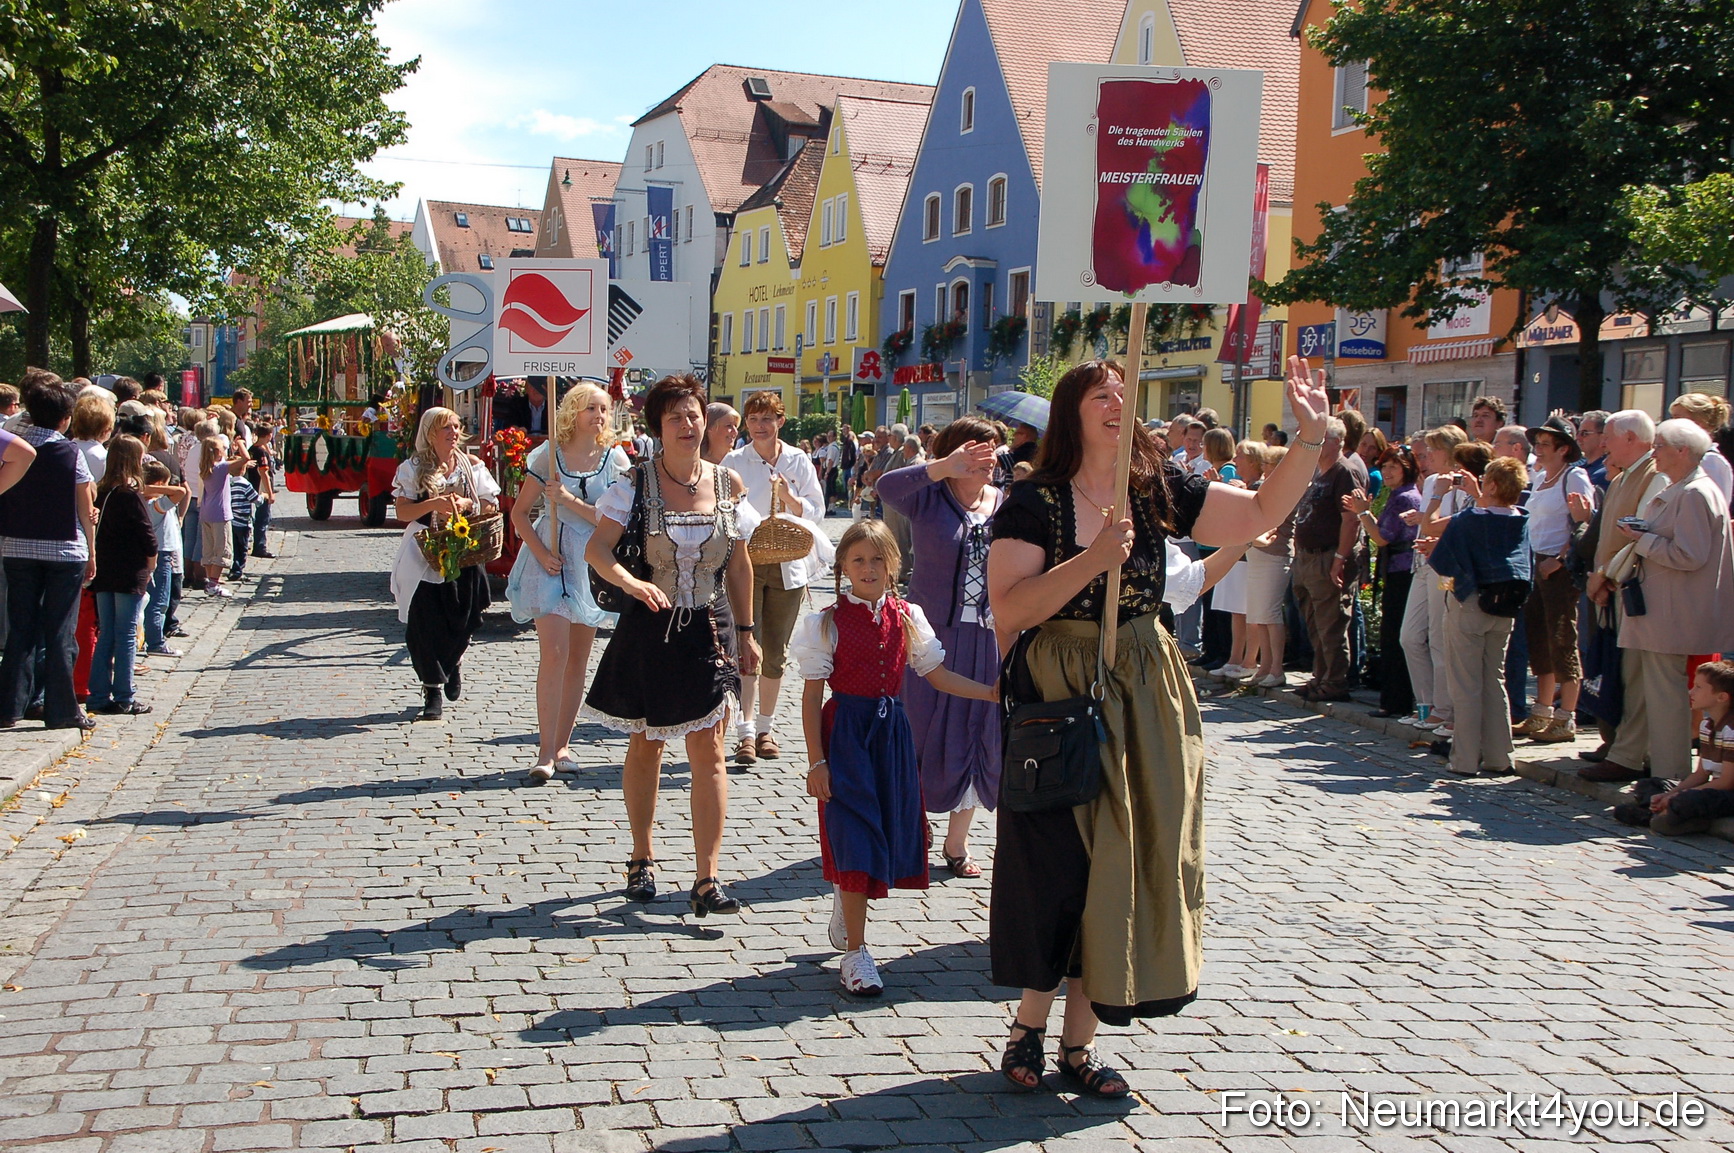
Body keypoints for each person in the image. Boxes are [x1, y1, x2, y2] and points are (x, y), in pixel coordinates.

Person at [985, 356, 1328, 1096]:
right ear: (1073, 411)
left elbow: (1262, 513)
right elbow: (1009, 610)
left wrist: (1310, 437)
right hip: (1061, 689)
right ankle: (1028, 1027)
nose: (1116, 402)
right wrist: (1092, 560)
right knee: (1061, 866)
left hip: (1142, 684)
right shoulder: (1034, 501)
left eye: (1124, 393)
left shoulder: (1158, 487)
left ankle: (1079, 1045)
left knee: (1126, 862)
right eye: (1101, 393)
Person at [793, 519, 998, 996]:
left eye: (878, 559)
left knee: (885, 830)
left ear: (893, 564)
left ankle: (849, 904)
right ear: (843, 565)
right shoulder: (826, 622)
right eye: (859, 559)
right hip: (845, 735)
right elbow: (810, 696)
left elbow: (938, 674)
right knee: (854, 833)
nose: (869, 568)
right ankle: (857, 954)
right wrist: (816, 761)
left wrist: (990, 693)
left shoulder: (907, 615)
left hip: (891, 739)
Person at [584, 374, 762, 916]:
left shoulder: (728, 484)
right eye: (676, 418)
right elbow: (597, 550)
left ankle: (707, 877)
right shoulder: (635, 483)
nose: (688, 425)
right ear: (658, 428)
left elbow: (739, 561)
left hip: (706, 629)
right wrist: (632, 582)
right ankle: (641, 856)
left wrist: (749, 634)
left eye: (694, 415)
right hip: (649, 632)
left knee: (709, 750)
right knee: (648, 744)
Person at [877, 417, 1005, 876]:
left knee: (977, 727)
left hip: (988, 635)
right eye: (979, 450)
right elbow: (886, 488)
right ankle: (904, 830)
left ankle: (957, 844)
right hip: (929, 633)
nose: (989, 458)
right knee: (916, 726)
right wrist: (941, 466)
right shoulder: (929, 496)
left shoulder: (1003, 503)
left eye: (994, 450)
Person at [1591, 419, 1734, 783]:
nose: (1654, 452)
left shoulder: (1695, 492)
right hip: (1663, 610)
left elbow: (1690, 554)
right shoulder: (1685, 488)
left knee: (1666, 697)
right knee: (1655, 693)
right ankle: (1651, 764)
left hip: (1673, 612)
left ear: (1682, 451)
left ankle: (1669, 773)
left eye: (1661, 446)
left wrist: (1641, 539)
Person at [505, 382, 630, 781]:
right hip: (551, 559)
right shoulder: (549, 456)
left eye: (604, 409)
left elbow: (616, 519)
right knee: (554, 653)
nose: (599, 416)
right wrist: (542, 554)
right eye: (591, 408)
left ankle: (563, 745)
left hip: (591, 561)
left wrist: (570, 501)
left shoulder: (615, 459)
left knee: (578, 658)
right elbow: (520, 514)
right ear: (573, 412)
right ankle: (544, 751)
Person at [723, 391, 826, 765]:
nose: (759, 426)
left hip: (789, 564)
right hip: (747, 562)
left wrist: (790, 499)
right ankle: (745, 731)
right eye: (753, 419)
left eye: (767, 419)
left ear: (780, 421)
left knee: (776, 654)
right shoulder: (735, 461)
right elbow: (723, 511)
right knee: (748, 647)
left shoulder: (799, 460)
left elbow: (817, 510)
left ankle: (766, 727)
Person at [1419, 457, 1532, 776]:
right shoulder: (1520, 518)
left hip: (1470, 602)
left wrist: (1438, 494)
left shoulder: (1470, 519)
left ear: (1493, 484)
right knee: (1494, 680)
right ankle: (1500, 756)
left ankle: (1465, 759)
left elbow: (1430, 529)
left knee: (1466, 685)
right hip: (1505, 606)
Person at [389, 408, 500, 721]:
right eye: (445, 428)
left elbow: (490, 503)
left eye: (456, 426)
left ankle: (453, 662)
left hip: (464, 549)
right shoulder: (412, 469)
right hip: (423, 551)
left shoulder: (471, 465)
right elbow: (402, 512)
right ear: (430, 433)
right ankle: (432, 689)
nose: (453, 432)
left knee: (466, 614)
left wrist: (466, 504)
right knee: (424, 622)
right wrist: (434, 504)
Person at [0, 375, 96, 731]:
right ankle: (61, 710)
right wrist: (92, 551)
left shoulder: (14, 447)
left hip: (17, 546)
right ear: (65, 417)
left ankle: (10, 706)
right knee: (59, 632)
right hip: (63, 550)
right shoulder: (70, 453)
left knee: (20, 629)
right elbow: (86, 509)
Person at [1579, 411, 1665, 769]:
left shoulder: (1653, 475)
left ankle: (1631, 754)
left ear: (1631, 438)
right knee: (1614, 669)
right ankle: (1614, 743)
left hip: (1630, 586)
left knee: (1633, 675)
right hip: (1611, 585)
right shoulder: (1625, 474)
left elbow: (1640, 535)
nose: (1604, 444)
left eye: (1610, 437)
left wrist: (1605, 574)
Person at [1513, 415, 1594, 744]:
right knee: (1538, 640)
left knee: (1562, 639)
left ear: (1564, 449)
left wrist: (1559, 559)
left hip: (1557, 569)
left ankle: (1566, 717)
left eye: (1545, 445)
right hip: (1534, 563)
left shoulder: (1574, 477)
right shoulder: (1542, 477)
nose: (1539, 450)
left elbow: (1585, 523)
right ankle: (1542, 710)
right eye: (1538, 444)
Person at [1290, 417, 1368, 702]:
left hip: (1328, 556)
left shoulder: (1344, 472)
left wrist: (1340, 558)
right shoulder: (1319, 472)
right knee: (1314, 623)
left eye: (1321, 438)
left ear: (1337, 441)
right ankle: (1320, 677)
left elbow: (1351, 520)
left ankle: (1335, 681)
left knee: (1331, 623)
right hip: (1308, 558)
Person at [1398, 425, 1470, 732]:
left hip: (1445, 567)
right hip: (1422, 563)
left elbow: (1460, 525)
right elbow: (1429, 521)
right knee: (1410, 636)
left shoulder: (1463, 483)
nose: (1428, 455)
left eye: (1435, 449)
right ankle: (1425, 703)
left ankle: (1445, 709)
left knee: (1441, 639)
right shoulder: (1429, 482)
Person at [1614, 660, 1734, 834]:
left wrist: (1677, 796)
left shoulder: (1731, 730)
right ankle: (1665, 814)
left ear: (1721, 697)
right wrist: (1670, 793)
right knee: (1650, 785)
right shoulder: (1707, 726)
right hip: (1712, 788)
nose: (1691, 692)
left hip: (1726, 793)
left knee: (1689, 799)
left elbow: (1727, 782)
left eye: (1699, 687)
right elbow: (1701, 774)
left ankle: (1662, 817)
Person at [86, 436, 158, 716]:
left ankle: (98, 695)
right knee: (126, 633)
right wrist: (151, 565)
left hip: (105, 569)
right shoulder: (129, 495)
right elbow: (147, 537)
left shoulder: (102, 492)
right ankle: (125, 695)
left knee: (106, 633)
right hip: (129, 570)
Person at [1347, 444, 1420, 718]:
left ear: (1407, 469)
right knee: (1392, 637)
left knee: (1396, 637)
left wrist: (1363, 513)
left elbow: (1382, 537)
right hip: (1396, 570)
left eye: (1393, 466)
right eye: (1384, 466)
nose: (1387, 471)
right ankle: (1393, 699)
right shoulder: (1397, 495)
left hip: (1403, 571)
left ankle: (1397, 701)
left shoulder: (1405, 497)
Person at [1209, 439, 1265, 680]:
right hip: (1236, 552)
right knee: (1235, 610)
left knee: (1250, 611)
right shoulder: (1244, 483)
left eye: (1240, 456)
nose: (1235, 461)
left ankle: (1249, 660)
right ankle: (1234, 658)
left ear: (1253, 460)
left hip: (1252, 556)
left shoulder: (1260, 485)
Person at [1243, 446, 1293, 689]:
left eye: (1269, 464)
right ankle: (1264, 666)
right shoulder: (1265, 486)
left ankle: (1277, 668)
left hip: (1275, 554)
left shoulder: (1287, 489)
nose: (1264, 468)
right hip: (1257, 554)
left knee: (1271, 614)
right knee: (1257, 614)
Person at [139, 459, 186, 658]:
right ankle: (156, 641)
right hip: (161, 553)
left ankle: (149, 638)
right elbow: (181, 492)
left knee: (152, 598)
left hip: (156, 551)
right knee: (159, 600)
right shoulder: (155, 503)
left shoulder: (141, 500)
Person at [197, 432, 248, 598]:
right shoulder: (220, 468)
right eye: (222, 449)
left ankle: (211, 581)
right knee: (222, 549)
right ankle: (213, 583)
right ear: (216, 451)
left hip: (206, 512)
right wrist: (239, 443)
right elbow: (245, 458)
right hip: (220, 512)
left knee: (209, 549)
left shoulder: (206, 467)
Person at [1668, 391, 1733, 503]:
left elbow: (1713, 507)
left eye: (1677, 418)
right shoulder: (1687, 457)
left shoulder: (1710, 461)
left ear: (1699, 423)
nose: (1671, 424)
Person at [244, 425, 276, 559]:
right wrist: (270, 492)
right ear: (269, 435)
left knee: (257, 517)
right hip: (260, 488)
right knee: (263, 518)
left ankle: (256, 544)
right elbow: (264, 473)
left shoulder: (251, 449)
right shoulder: (261, 452)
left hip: (252, 485)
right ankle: (260, 546)